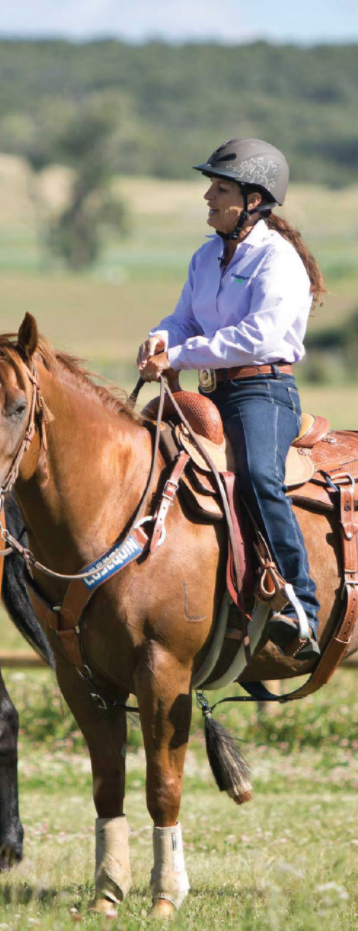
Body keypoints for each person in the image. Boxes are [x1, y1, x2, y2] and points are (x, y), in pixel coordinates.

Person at [136, 137, 326, 659]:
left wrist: (180, 357)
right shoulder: (204, 256)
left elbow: (260, 336)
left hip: (261, 392)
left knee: (261, 478)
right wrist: (161, 337)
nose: (208, 198)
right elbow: (184, 319)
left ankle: (301, 607)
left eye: (220, 189)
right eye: (211, 188)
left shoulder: (278, 259)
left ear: (254, 200)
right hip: (213, 392)